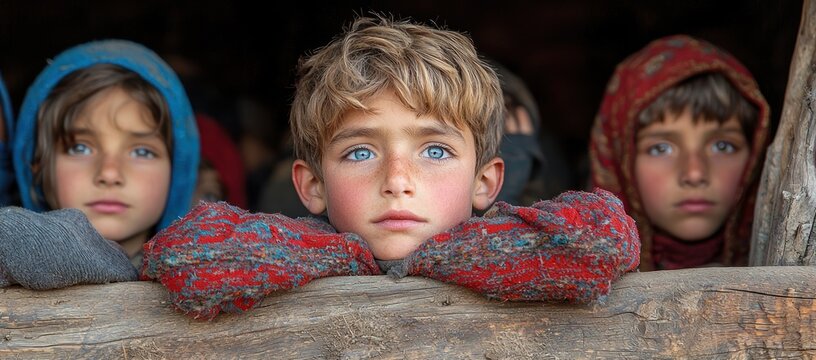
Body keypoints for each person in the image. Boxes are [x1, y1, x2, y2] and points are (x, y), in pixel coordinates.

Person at [142, 15, 640, 319]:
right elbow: (185, 256)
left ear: (485, 180)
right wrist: (344, 256)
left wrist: (435, 258)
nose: (398, 182)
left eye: (435, 151)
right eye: (361, 153)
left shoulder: (496, 248)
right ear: (312, 185)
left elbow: (601, 241)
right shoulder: (299, 247)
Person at [0, 39, 199, 289]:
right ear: (37, 166)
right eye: (80, 148)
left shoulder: (209, 262)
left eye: (142, 151)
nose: (109, 173)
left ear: (177, 172)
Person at [589, 35, 770, 271]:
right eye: (660, 148)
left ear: (755, 158)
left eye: (722, 146)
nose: (694, 174)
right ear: (620, 162)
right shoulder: (575, 268)